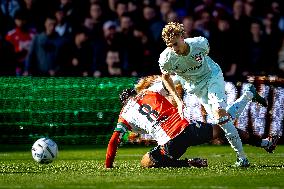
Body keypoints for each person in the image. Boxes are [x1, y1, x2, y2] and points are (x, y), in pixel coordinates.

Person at [158, 22, 268, 167]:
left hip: (212, 78)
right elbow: (165, 78)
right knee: (222, 122)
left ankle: (242, 159)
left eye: (175, 44)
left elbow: (206, 56)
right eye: (170, 45)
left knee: (221, 117)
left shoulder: (200, 43)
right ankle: (248, 95)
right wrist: (178, 101)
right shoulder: (166, 58)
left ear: (181, 36)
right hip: (197, 88)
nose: (174, 48)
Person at [105, 82, 278, 169]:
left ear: (123, 103)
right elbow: (171, 82)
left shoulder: (124, 114)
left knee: (146, 162)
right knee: (224, 127)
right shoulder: (150, 90)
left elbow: (113, 141)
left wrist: (108, 166)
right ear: (135, 93)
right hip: (187, 127)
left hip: (170, 141)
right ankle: (264, 142)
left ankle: (189, 163)